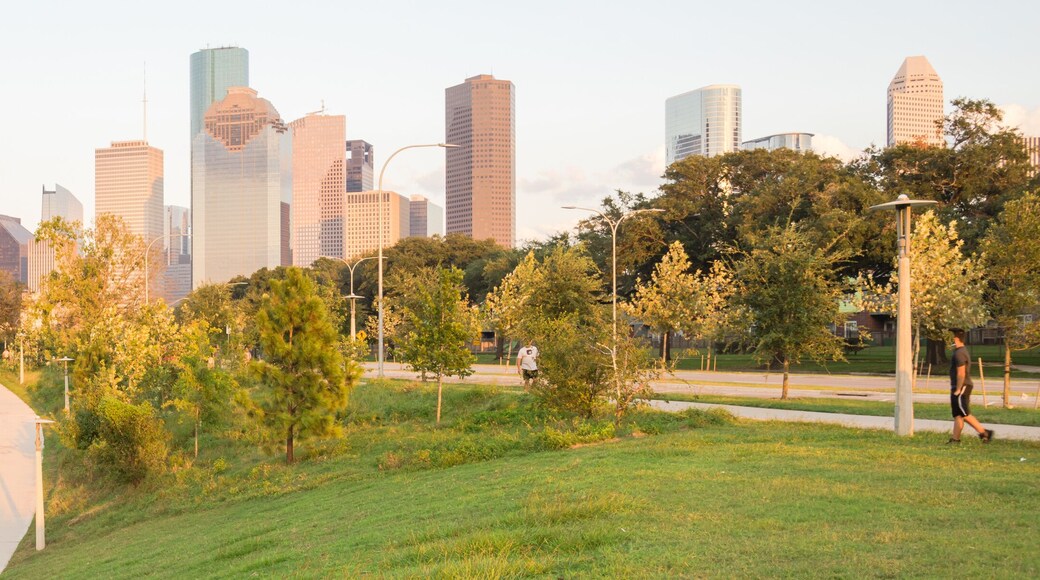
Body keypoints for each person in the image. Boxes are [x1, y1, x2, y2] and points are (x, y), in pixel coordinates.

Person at [948, 328, 993, 444]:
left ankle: (984, 432)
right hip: (958, 386)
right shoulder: (960, 351)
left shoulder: (959, 353)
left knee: (964, 413)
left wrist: (958, 389)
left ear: (956, 338)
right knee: (958, 414)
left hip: (962, 387)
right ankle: (955, 439)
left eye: (951, 337)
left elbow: (961, 373)